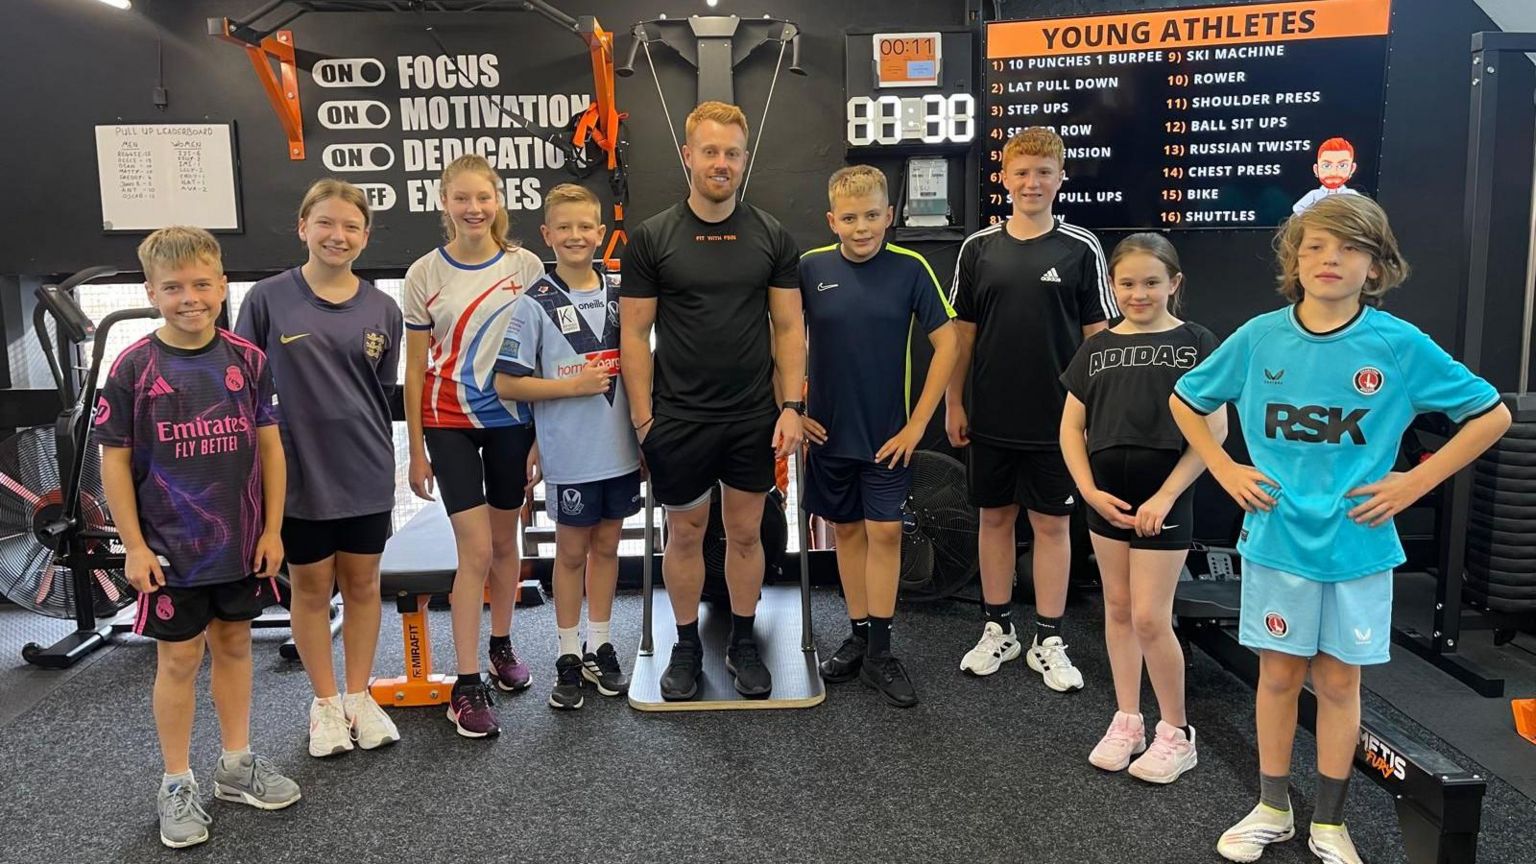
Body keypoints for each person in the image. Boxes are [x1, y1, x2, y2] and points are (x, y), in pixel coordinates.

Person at [1170, 195, 1511, 863]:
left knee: (1339, 684)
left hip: (1358, 545)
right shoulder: (1261, 336)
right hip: (1277, 540)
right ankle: (1272, 806)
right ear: (1294, 260)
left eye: (1351, 248)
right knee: (1276, 679)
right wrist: (1223, 465)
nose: (1332, 259)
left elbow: (1491, 414)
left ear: (1377, 268)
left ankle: (1329, 821)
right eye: (1317, 246)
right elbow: (1188, 400)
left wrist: (1416, 481)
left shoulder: (1396, 344)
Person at [98, 226, 299, 848]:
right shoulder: (133, 367)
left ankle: (236, 763)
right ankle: (176, 781)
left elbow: (271, 448)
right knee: (180, 658)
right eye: (174, 287)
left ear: (221, 284)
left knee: (236, 646)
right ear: (152, 291)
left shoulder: (248, 359)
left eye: (202, 284)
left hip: (240, 542)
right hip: (169, 549)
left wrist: (271, 529)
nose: (190, 297)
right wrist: (132, 544)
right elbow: (113, 463)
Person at [619, 100, 805, 701]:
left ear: (743, 159)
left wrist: (792, 407)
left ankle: (744, 640)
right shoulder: (652, 238)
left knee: (747, 535)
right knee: (685, 533)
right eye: (710, 151)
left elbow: (787, 330)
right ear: (688, 156)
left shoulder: (772, 235)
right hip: (678, 419)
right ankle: (685, 644)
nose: (720, 163)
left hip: (753, 415)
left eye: (731, 153)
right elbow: (634, 335)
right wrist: (644, 419)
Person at [945, 126, 1118, 689]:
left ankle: (1048, 637)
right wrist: (954, 402)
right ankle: (998, 629)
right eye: (1021, 172)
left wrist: (1093, 415)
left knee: (1051, 524)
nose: (1032, 182)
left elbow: (1100, 339)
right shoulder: (978, 249)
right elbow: (961, 336)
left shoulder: (1080, 247)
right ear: (1004, 178)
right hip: (991, 415)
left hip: (1058, 422)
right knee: (993, 520)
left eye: (1043, 172)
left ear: (1060, 178)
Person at [235, 178, 403, 757]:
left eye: (351, 226)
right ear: (304, 227)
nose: (338, 235)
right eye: (326, 223)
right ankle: (326, 704)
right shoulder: (266, 299)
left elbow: (380, 392)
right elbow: (243, 389)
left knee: (363, 585)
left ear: (365, 235)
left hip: (366, 468)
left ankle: (359, 696)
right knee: (309, 588)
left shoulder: (384, 308)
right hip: (297, 473)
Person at [1059, 233, 1221, 783]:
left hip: (1164, 497)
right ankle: (1127, 718)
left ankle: (1176, 732)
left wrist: (1167, 495)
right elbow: (1070, 429)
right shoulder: (1097, 347)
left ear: (1173, 284)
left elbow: (1214, 430)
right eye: (1127, 283)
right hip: (1107, 497)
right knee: (1120, 610)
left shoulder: (1197, 341)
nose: (1139, 293)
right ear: (1112, 286)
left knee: (1153, 617)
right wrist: (1088, 490)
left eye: (1152, 282)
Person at [799, 165, 957, 708]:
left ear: (889, 216)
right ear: (832, 221)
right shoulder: (809, 268)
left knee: (885, 533)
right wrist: (792, 409)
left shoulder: (910, 268)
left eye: (871, 215)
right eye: (850, 217)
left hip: (890, 436)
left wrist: (918, 423)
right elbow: (782, 336)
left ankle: (882, 651)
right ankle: (860, 634)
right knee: (846, 534)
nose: (861, 226)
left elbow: (950, 344)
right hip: (827, 433)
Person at [403, 154, 544, 738]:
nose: (473, 209)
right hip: (448, 422)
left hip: (512, 421)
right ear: (445, 203)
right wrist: (414, 449)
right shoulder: (422, 275)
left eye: (482, 198)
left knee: (507, 541)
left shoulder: (527, 265)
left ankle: (501, 645)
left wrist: (540, 437)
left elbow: (541, 354)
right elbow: (413, 371)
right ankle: (465, 685)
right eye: (461, 199)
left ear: (498, 201)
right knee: (477, 550)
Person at [494, 182, 639, 710]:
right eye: (565, 228)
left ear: (602, 234)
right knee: (572, 553)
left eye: (586, 227)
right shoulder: (534, 304)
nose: (576, 236)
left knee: (608, 549)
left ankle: (601, 643)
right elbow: (507, 383)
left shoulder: (623, 296)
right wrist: (567, 387)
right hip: (569, 456)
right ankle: (566, 653)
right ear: (547, 235)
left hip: (620, 452)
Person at [1291, 137, 1360, 215]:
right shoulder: (1315, 194)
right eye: (1326, 166)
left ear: (1352, 169)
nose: (1334, 172)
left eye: (1342, 165)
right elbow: (1297, 208)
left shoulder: (1350, 194)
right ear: (1316, 169)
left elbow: (1363, 213)